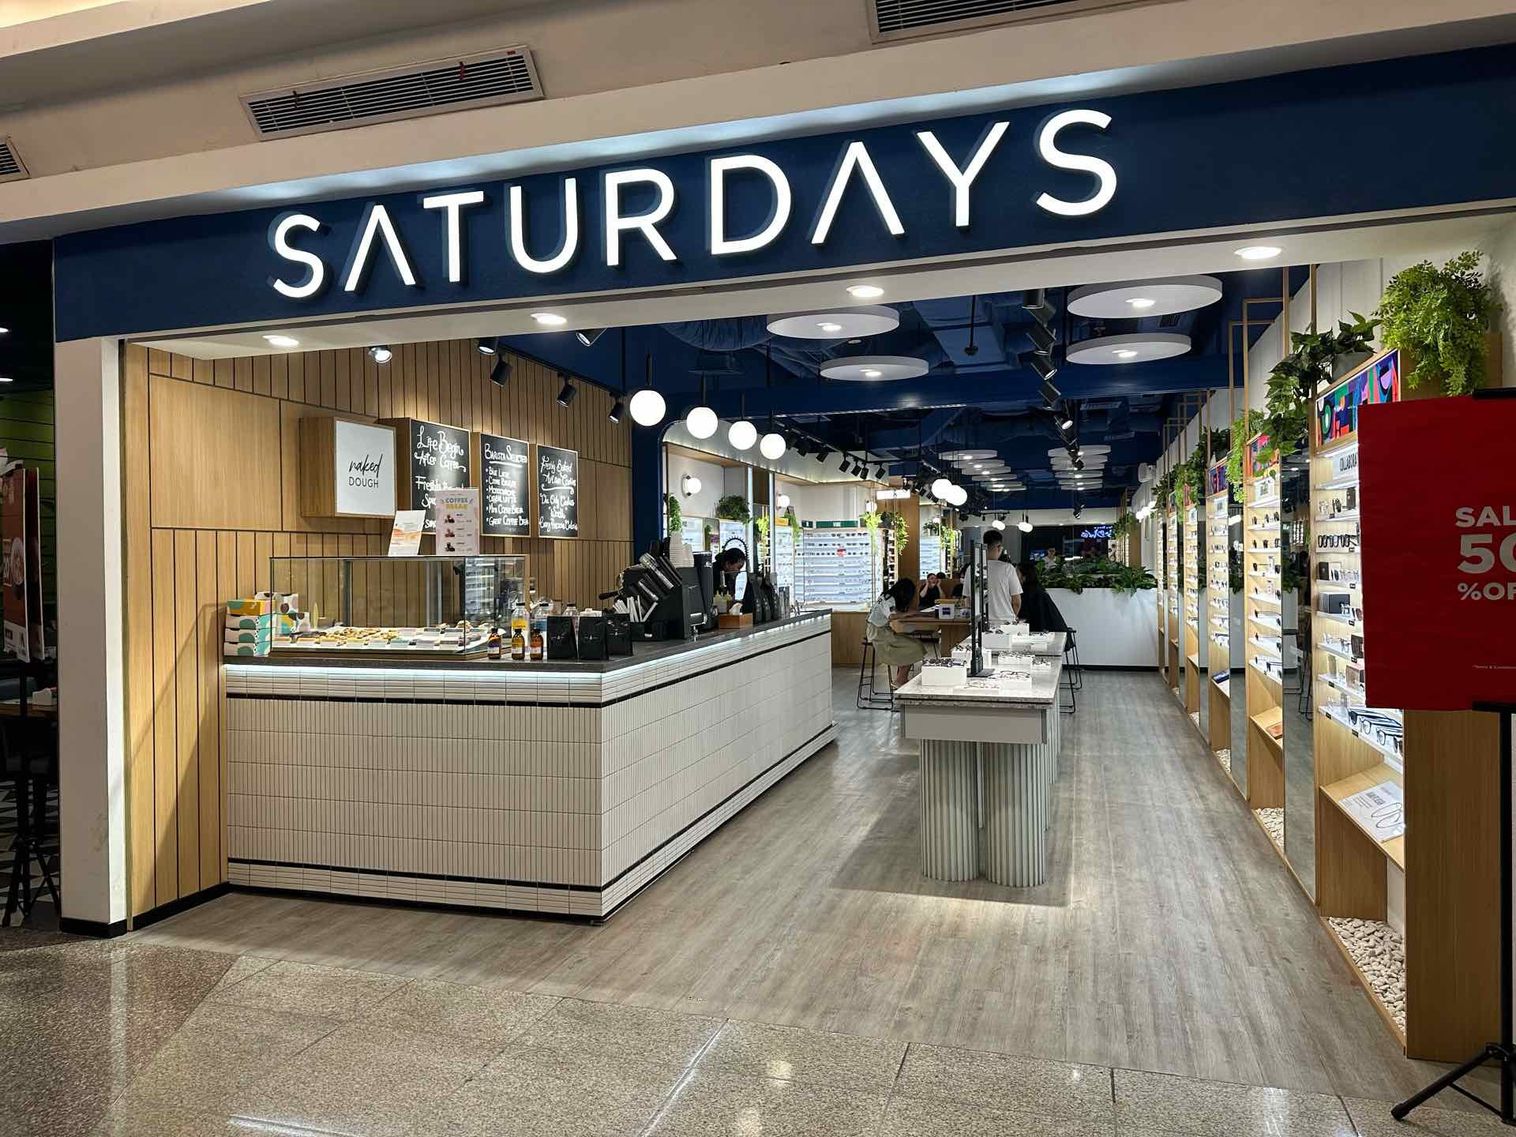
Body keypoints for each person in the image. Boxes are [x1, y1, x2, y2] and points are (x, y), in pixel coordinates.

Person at [867, 577, 927, 688]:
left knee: (914, 644)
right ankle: (900, 680)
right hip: (879, 634)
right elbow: (891, 616)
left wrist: (911, 612)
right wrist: (908, 614)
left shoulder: (887, 596)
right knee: (914, 647)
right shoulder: (889, 598)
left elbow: (895, 612)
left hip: (881, 631)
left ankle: (901, 678)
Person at [1015, 560, 1068, 634]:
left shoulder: (1027, 594)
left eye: (1016, 574)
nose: (1013, 577)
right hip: (1055, 631)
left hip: (1044, 634)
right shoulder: (1038, 589)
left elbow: (1024, 617)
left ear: (1024, 577)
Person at [981, 529, 1023, 623]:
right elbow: (1016, 601)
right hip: (1005, 621)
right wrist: (1013, 617)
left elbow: (968, 600)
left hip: (980, 622)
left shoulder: (972, 569)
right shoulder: (1008, 568)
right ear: (999, 547)